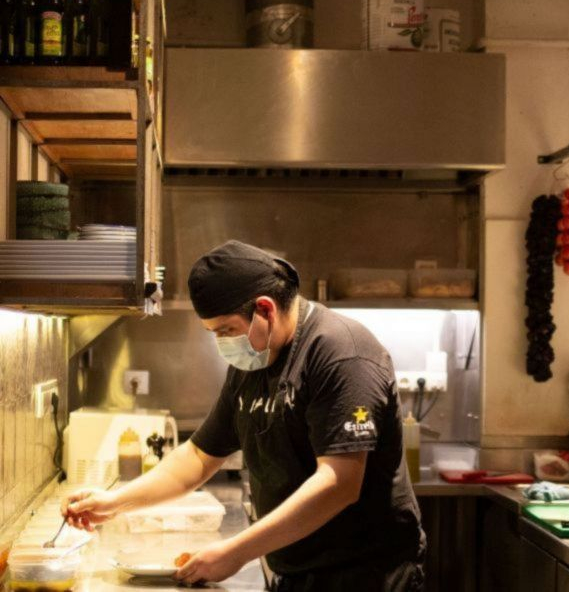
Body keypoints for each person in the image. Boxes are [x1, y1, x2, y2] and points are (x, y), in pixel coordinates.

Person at [62, 241, 426, 591]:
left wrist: (235, 552)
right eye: (213, 334)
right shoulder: (255, 358)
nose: (222, 344)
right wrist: (112, 504)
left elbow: (339, 483)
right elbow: (198, 456)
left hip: (364, 575)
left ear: (265, 309)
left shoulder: (341, 354)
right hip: (299, 570)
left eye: (226, 331)